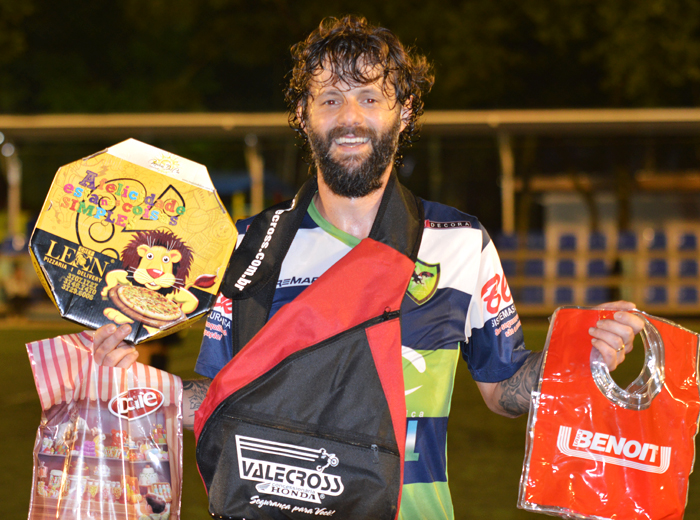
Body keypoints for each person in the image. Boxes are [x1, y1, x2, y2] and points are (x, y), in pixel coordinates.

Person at [92, 15, 644, 519]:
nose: (349, 117)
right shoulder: (251, 246)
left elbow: (504, 389)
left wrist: (579, 354)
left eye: (368, 97)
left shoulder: (459, 243)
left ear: (402, 112)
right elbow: (216, 401)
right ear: (304, 117)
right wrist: (132, 380)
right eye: (329, 99)